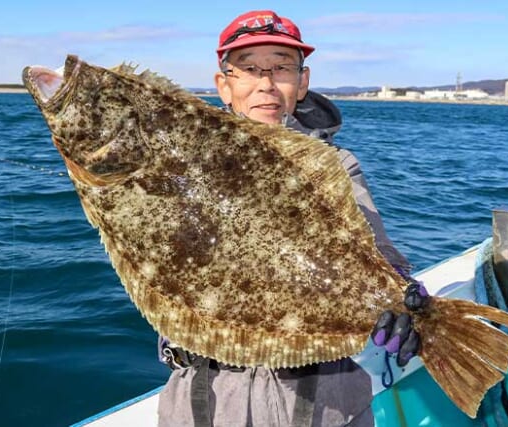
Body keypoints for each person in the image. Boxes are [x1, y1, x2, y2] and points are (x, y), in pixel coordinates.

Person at [157, 10, 425, 427]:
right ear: (223, 85)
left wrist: (401, 292)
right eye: (248, 69)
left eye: (281, 67)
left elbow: (374, 249)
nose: (265, 83)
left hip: (321, 403)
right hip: (204, 399)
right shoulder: (181, 163)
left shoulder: (334, 166)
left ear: (302, 82)